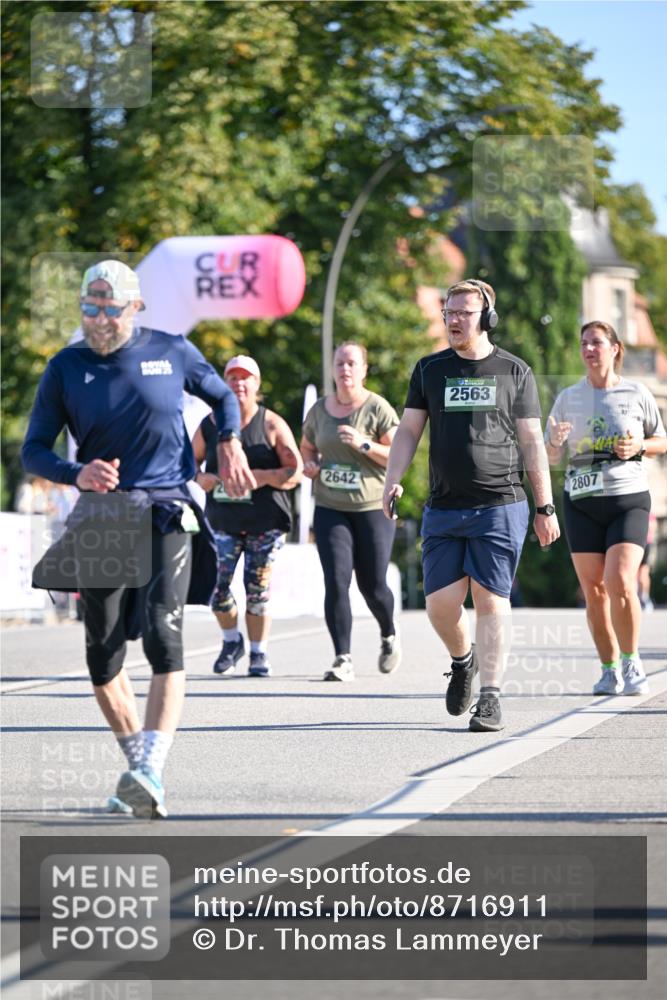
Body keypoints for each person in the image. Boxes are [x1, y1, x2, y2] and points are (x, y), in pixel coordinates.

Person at [22, 259, 254, 818]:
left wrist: (228, 442)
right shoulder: (65, 367)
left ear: (136, 307)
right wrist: (74, 473)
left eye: (110, 307)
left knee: (161, 632)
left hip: (166, 508)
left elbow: (223, 398)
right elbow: (34, 448)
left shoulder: (172, 350)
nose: (99, 318)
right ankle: (137, 769)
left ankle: (151, 766)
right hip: (102, 517)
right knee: (102, 655)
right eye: (90, 306)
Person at [383, 279, 560, 732]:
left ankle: (491, 697)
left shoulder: (514, 371)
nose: (454, 319)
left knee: (489, 599)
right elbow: (407, 432)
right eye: (449, 312)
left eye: (464, 312)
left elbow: (531, 441)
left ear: (487, 319)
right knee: (440, 605)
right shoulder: (429, 369)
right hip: (444, 507)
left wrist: (545, 507)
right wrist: (393, 479)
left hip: (501, 502)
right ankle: (464, 661)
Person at [546, 320, 666, 695]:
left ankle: (632, 662)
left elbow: (661, 440)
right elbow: (551, 458)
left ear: (615, 349)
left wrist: (639, 447)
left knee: (620, 582)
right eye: (584, 343)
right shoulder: (568, 397)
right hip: (581, 503)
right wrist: (553, 441)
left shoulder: (636, 392)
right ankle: (609, 667)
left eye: (597, 342)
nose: (589, 349)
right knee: (594, 591)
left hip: (627, 499)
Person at [191, 354, 302, 677]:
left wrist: (260, 477)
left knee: (257, 589)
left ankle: (258, 653)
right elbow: (188, 463)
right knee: (216, 588)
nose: (239, 383)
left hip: (265, 523)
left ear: (257, 384)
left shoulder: (270, 423)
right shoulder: (211, 424)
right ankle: (231, 641)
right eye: (232, 378)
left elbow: (294, 471)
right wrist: (202, 479)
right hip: (223, 521)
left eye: (245, 378)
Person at [300, 342, 401, 681]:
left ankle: (388, 632)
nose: (345, 369)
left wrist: (364, 444)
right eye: (340, 363)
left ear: (363, 369)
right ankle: (342, 657)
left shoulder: (377, 408)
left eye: (352, 363)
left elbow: (399, 453)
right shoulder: (318, 410)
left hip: (372, 507)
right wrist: (310, 465)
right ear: (332, 368)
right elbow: (307, 447)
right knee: (337, 580)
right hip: (330, 507)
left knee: (372, 584)